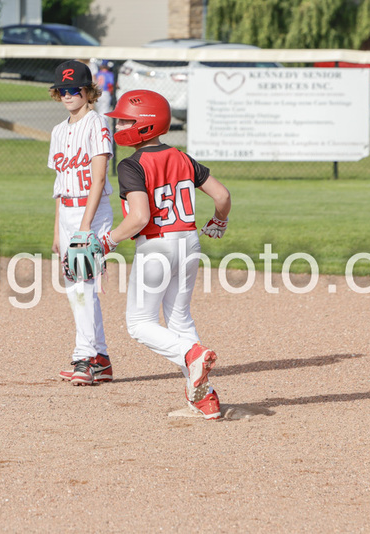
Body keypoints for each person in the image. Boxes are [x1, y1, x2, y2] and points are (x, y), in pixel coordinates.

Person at [100, 90, 231, 419]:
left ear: (144, 125)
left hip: (157, 245)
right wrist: (218, 221)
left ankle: (192, 353)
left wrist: (106, 241)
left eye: (128, 119)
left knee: (140, 324)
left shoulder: (132, 164)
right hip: (189, 242)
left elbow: (140, 217)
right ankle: (204, 399)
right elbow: (222, 194)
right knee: (179, 318)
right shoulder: (183, 158)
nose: (122, 125)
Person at [48, 59, 115, 386]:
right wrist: (59, 232)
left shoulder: (98, 123)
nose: (69, 95)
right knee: (76, 286)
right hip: (68, 211)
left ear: (89, 91)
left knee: (82, 286)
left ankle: (85, 358)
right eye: (63, 89)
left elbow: (99, 178)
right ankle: (100, 359)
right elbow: (60, 185)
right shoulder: (58, 132)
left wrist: (85, 227)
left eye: (75, 89)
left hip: (93, 210)